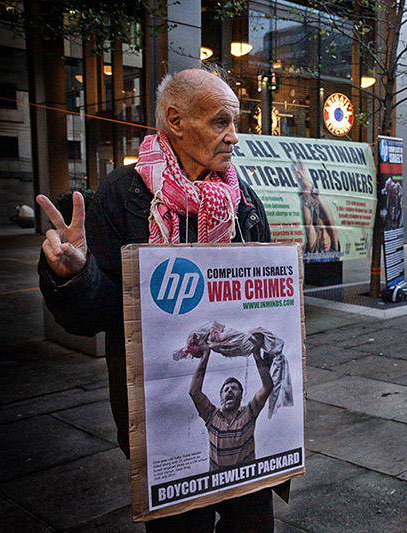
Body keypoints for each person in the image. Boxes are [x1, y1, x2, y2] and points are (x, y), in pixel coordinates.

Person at [36, 68, 279, 532]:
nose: (235, 137)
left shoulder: (243, 199)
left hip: (246, 445)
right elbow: (98, 315)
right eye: (221, 122)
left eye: (236, 122)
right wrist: (73, 276)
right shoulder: (121, 195)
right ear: (175, 120)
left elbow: (263, 307)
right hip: (160, 418)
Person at [189, 334, 276, 471]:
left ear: (241, 396)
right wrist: (206, 354)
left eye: (234, 388)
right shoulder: (211, 416)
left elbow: (267, 387)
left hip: (245, 480)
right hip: (219, 483)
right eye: (226, 389)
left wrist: (256, 354)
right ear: (221, 397)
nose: (229, 391)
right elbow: (194, 392)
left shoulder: (248, 413)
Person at [293, 159, 340, 260]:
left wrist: (312, 190)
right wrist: (306, 191)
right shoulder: (313, 250)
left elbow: (330, 221)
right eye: (319, 231)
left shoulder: (334, 248)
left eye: (324, 230)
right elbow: (308, 226)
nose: (323, 237)